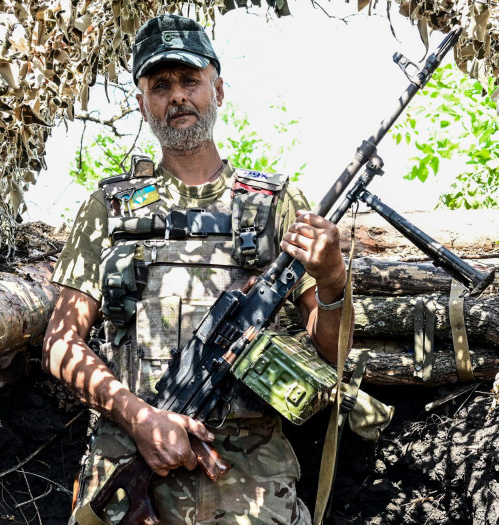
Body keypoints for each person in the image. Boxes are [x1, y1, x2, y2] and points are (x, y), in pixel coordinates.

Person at [42, 14, 348, 525]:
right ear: (142, 105)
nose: (177, 96)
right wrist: (140, 418)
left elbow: (331, 355)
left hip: (251, 485)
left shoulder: (277, 205)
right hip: (130, 461)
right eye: (160, 85)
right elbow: (60, 344)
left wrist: (335, 281)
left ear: (219, 90)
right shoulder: (110, 208)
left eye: (190, 80)